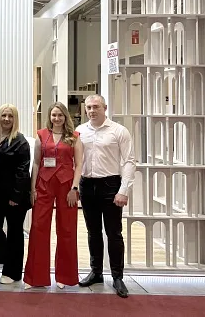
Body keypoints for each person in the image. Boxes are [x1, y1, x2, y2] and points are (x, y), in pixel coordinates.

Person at [76, 94, 136, 298]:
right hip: (87, 184)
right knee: (92, 232)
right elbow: (75, 162)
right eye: (89, 107)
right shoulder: (80, 131)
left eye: (96, 107)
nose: (92, 111)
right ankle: (96, 272)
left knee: (114, 233)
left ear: (105, 108)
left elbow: (129, 161)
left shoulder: (119, 131)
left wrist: (123, 190)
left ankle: (118, 277)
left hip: (111, 184)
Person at [23, 102, 83, 289]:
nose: (57, 118)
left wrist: (74, 188)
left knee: (67, 229)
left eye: (60, 115)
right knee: (38, 228)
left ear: (65, 117)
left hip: (67, 186)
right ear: (49, 116)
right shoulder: (41, 135)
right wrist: (32, 189)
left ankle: (65, 276)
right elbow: (36, 163)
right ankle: (35, 277)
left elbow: (79, 165)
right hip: (44, 184)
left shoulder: (74, 137)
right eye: (54, 115)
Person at [0, 104, 31, 285]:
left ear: (15, 119)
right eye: (4, 115)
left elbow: (23, 171)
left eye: (10, 116)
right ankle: (3, 256)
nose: (6, 119)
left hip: (15, 196)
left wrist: (16, 196)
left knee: (15, 233)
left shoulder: (20, 141)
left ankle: (13, 273)